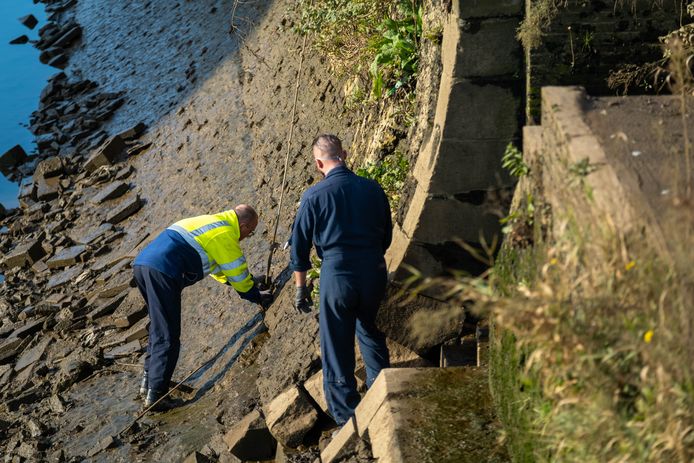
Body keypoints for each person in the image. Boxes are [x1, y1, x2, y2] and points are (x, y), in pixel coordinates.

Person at [289, 134, 392, 426]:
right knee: (369, 329)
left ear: (319, 162)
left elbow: (299, 250)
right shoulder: (373, 188)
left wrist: (301, 290)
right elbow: (386, 235)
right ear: (344, 154)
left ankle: (347, 417)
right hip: (373, 269)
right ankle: (381, 387)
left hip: (337, 273)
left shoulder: (313, 196)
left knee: (336, 345)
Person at [133, 204, 272, 410]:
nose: (247, 237)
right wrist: (257, 296)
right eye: (250, 233)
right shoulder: (225, 234)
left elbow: (219, 270)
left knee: (158, 327)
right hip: (163, 271)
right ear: (243, 226)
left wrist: (251, 281)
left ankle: (148, 383)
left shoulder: (210, 222)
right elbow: (237, 272)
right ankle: (157, 397)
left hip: (143, 265)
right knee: (169, 334)